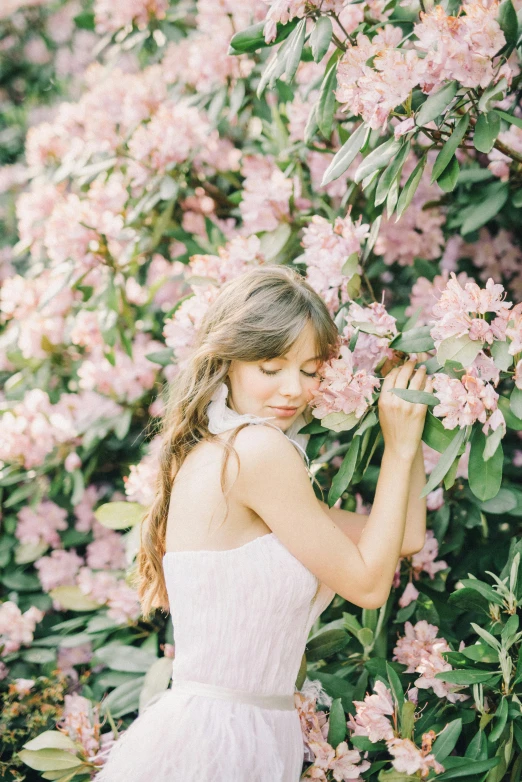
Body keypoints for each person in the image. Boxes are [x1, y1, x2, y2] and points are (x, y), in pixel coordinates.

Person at [93, 264, 432, 782]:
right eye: (271, 367)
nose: (293, 390)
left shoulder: (225, 452)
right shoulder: (256, 451)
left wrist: (404, 437)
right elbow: (367, 584)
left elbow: (400, 538)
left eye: (311, 370)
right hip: (217, 743)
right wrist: (399, 446)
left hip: (236, 731)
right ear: (227, 361)